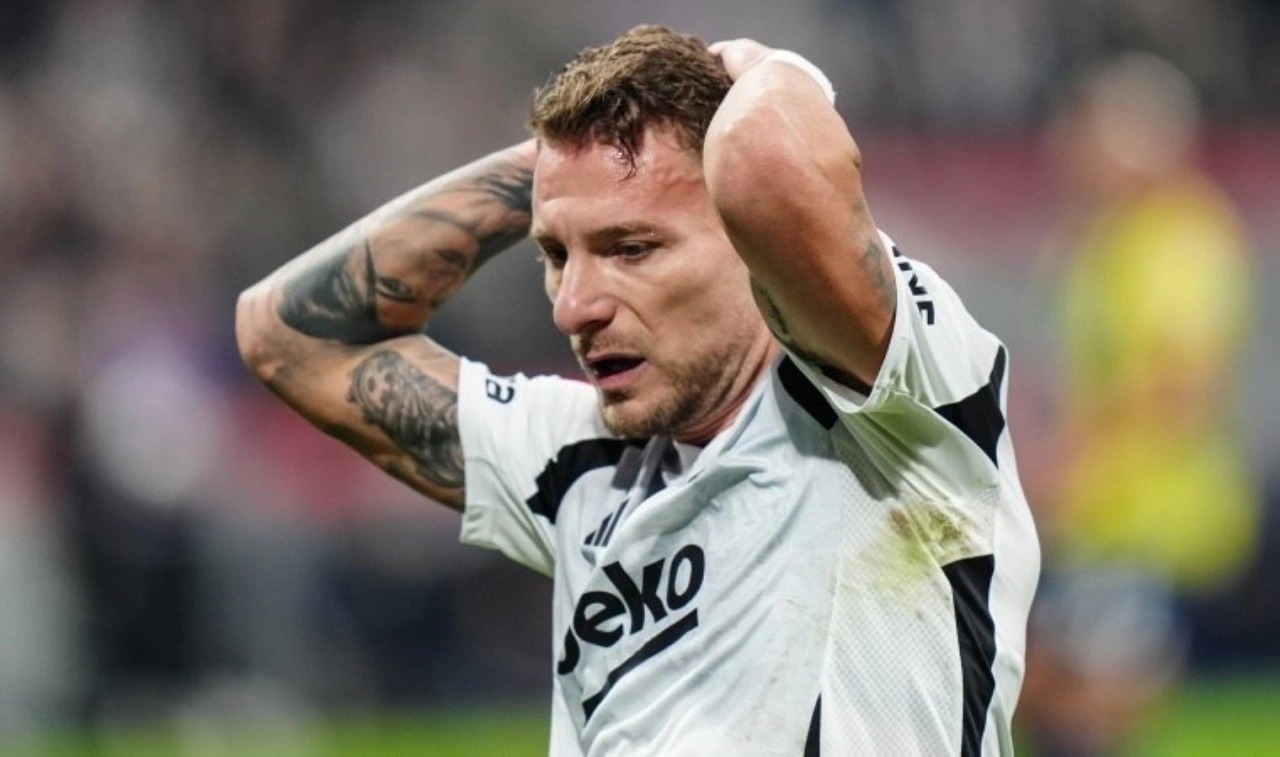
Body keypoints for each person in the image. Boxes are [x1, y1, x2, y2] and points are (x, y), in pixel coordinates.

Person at [236, 25, 1039, 756]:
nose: (573, 306)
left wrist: (765, 66)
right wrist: (557, 169)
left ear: (751, 242)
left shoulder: (899, 409)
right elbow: (289, 334)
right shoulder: (579, 460)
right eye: (558, 254)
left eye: (630, 248)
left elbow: (763, 156)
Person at [1018, 53, 1256, 756]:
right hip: (1096, 515)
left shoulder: (1177, 236)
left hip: (1144, 518)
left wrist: (1067, 464)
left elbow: (1177, 387)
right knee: (1051, 703)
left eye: (1087, 132)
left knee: (1084, 708)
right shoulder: (1105, 237)